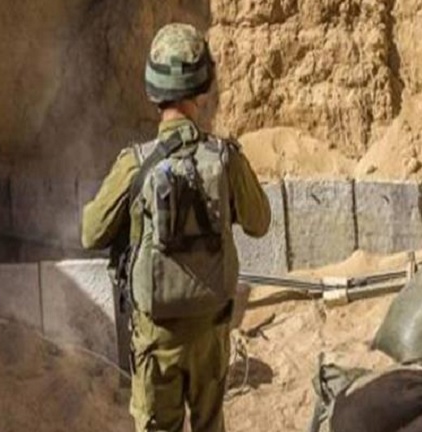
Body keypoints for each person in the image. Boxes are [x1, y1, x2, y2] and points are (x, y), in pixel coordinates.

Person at [81, 23, 271, 432]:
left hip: (157, 337)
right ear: (202, 90)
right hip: (211, 331)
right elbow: (260, 222)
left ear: (153, 91)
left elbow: (90, 233)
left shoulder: (136, 164)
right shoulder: (225, 157)